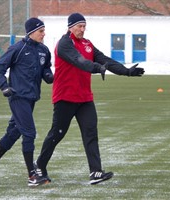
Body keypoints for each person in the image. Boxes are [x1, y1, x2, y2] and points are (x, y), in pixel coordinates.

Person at [31, 13, 145, 186]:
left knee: (91, 133)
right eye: (79, 26)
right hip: (65, 97)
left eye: (84, 26)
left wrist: (126, 71)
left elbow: (105, 60)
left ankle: (96, 172)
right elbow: (80, 61)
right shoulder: (64, 44)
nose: (82, 30)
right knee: (57, 134)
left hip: (84, 99)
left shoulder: (87, 44)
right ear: (70, 26)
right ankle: (39, 165)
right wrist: (97, 68)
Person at [0, 17, 54, 187]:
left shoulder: (44, 50)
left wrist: (49, 76)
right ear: (31, 32)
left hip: (32, 98)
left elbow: (46, 68)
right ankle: (32, 176)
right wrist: (4, 86)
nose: (44, 34)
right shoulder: (18, 49)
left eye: (44, 30)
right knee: (29, 133)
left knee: (14, 133)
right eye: (40, 31)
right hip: (18, 97)